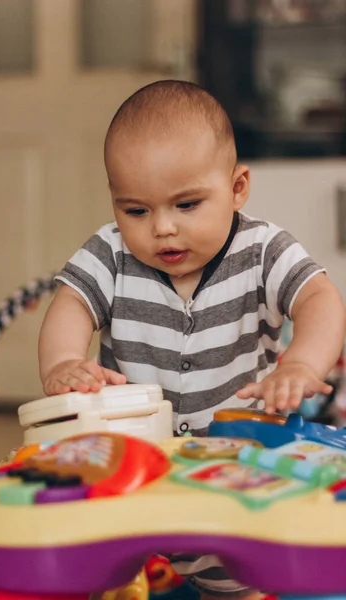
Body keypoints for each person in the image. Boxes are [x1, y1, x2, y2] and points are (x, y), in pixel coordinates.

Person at [38, 80, 346, 599]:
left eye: (186, 205)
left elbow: (319, 299)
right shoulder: (110, 254)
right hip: (129, 467)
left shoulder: (262, 250)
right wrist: (65, 360)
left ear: (237, 187)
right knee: (98, 570)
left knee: (235, 581)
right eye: (135, 210)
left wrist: (300, 364)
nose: (162, 229)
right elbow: (70, 304)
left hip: (232, 469)